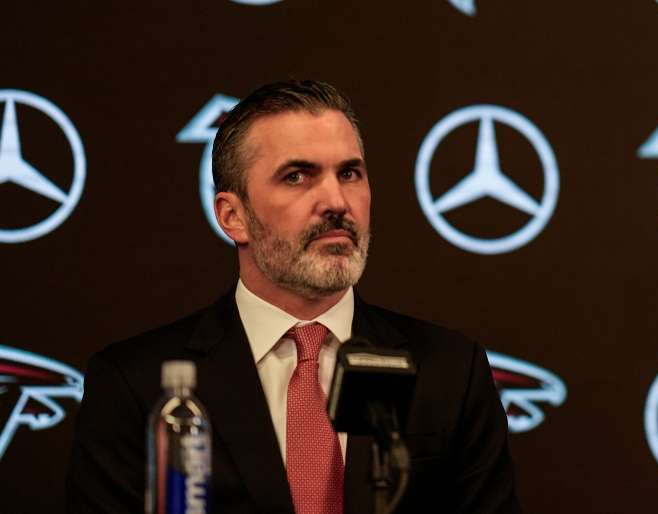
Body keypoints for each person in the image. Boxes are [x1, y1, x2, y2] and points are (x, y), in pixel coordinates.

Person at [66, 81, 519, 513]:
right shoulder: (133, 385)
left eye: (349, 173)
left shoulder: (450, 372)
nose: (336, 201)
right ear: (232, 216)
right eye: (297, 176)